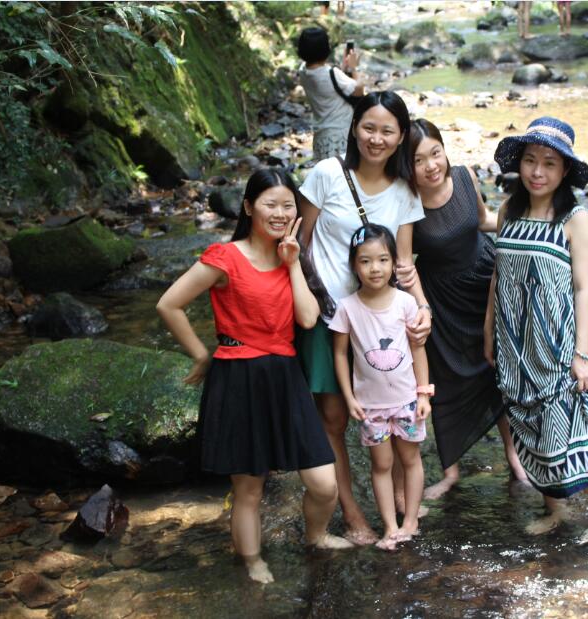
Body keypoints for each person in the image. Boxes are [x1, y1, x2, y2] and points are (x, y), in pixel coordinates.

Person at [155, 169, 353, 584]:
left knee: (323, 483)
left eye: (288, 206)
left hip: (285, 378)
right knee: (249, 489)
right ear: (248, 207)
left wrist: (293, 264)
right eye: (270, 204)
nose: (280, 213)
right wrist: (201, 354)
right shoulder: (225, 257)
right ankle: (252, 561)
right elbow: (169, 304)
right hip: (239, 379)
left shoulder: (292, 257)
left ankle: (315, 536)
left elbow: (307, 318)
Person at [486, 117, 588, 544]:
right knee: (529, 427)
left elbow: (584, 289)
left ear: (565, 169)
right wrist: (489, 332)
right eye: (530, 161)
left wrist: (581, 354)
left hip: (555, 345)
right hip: (514, 343)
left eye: (549, 163)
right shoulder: (508, 211)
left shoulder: (576, 220)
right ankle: (555, 509)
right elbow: (498, 277)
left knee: (567, 433)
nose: (537, 172)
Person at [298, 91, 431, 546]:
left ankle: (399, 493)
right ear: (354, 128)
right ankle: (352, 513)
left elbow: (405, 263)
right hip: (329, 317)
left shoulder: (405, 192)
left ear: (401, 136)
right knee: (335, 419)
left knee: (394, 406)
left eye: (387, 131)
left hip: (384, 322)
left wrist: (423, 308)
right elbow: (299, 245)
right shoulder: (326, 174)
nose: (376, 138)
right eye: (369, 128)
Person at [402, 119, 527, 500]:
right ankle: (451, 471)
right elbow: (404, 265)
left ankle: (514, 455)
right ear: (407, 165)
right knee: (448, 379)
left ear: (445, 150)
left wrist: (525, 224)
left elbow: (483, 220)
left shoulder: (464, 175)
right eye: (419, 160)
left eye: (435, 153)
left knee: (497, 370)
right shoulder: (406, 200)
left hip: (485, 280)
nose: (431, 165)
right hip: (443, 299)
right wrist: (421, 305)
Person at [330, 224, 430, 550]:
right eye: (366, 261)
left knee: (411, 459)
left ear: (393, 263)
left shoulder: (406, 303)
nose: (375, 268)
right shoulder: (347, 307)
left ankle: (411, 521)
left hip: (407, 400)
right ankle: (390, 527)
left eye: (383, 260)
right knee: (381, 465)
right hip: (371, 405)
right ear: (354, 265)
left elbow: (418, 350)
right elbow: (340, 354)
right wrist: (349, 397)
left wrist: (423, 393)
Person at [297, 27, 365, 162]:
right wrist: (354, 67)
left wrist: (344, 67)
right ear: (325, 49)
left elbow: (333, 85)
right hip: (341, 136)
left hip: (321, 137)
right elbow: (359, 89)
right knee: (345, 173)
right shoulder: (331, 73)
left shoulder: (303, 71)